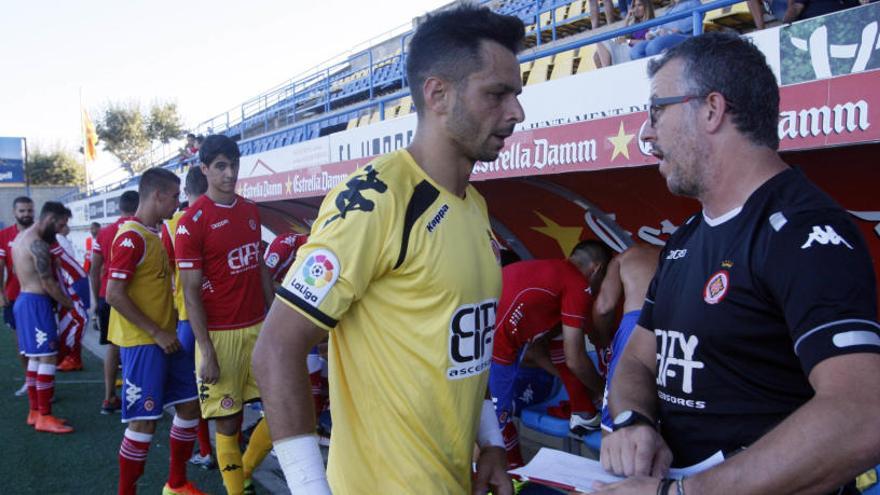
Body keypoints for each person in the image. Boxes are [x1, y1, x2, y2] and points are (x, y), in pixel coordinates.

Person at [253, 5, 525, 494]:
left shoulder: (475, 206)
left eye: (516, 95)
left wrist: (491, 446)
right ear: (438, 94)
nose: (516, 112)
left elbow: (467, 346)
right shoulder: (377, 200)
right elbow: (276, 347)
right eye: (497, 94)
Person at [593, 33, 880, 495]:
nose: (646, 133)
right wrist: (633, 420)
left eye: (655, 112)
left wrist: (686, 493)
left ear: (711, 109)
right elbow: (638, 362)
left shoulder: (804, 230)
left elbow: (863, 411)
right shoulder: (686, 238)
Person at [174, 134, 275, 495]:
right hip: (219, 335)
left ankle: (244, 469)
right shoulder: (192, 221)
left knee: (283, 411)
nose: (230, 173)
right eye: (220, 166)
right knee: (228, 423)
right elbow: (190, 290)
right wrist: (207, 349)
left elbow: (260, 267)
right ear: (204, 169)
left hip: (259, 328)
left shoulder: (249, 210)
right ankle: (237, 489)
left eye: (233, 164)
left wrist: (274, 316)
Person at [105, 168, 206, 495]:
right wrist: (157, 332)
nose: (179, 202)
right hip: (143, 344)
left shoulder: (153, 233)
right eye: (175, 196)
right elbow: (113, 294)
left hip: (166, 338)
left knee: (191, 404)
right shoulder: (131, 237)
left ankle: (176, 484)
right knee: (144, 422)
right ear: (158, 195)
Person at [489, 240, 611, 468]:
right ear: (597, 269)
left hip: (471, 339)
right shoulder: (577, 284)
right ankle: (511, 478)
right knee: (495, 426)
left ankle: (582, 412)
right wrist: (607, 394)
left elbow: (553, 352)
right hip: (496, 348)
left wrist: (582, 395)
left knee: (488, 422)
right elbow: (575, 359)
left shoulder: (548, 275)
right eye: (603, 281)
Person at [160, 166, 216, 470]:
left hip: (188, 319)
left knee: (193, 391)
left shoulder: (172, 226)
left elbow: (167, 275)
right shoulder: (226, 215)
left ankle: (206, 449)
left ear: (185, 191)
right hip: (225, 316)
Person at [10, 201, 75, 433]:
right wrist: (71, 305)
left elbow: (20, 272)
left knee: (36, 359)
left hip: (26, 299)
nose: (60, 230)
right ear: (49, 219)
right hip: (36, 304)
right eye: (60, 224)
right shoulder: (37, 243)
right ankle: (45, 416)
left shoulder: (21, 237)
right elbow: (47, 282)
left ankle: (35, 411)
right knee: (46, 358)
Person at [590, 243, 660, 432]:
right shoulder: (677, 253)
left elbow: (604, 307)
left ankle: (612, 460)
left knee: (617, 420)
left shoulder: (624, 257)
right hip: (678, 325)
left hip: (636, 323)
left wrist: (604, 341)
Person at [91, 190, 139, 414]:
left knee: (113, 347)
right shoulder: (141, 229)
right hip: (134, 298)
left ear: (119, 207)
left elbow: (94, 269)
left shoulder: (105, 232)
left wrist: (96, 300)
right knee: (135, 345)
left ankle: (108, 398)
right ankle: (136, 398)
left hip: (105, 295)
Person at [1, 196, 35, 395]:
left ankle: (43, 382)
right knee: (22, 341)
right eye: (22, 211)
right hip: (14, 297)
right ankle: (29, 380)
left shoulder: (40, 233)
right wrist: (1, 293)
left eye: (29, 210)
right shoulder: (4, 236)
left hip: (40, 298)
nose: (26, 214)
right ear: (14, 212)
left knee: (42, 343)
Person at [51, 213, 89, 372]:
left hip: (70, 285)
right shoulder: (57, 240)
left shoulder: (62, 240)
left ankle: (69, 356)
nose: (67, 227)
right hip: (68, 287)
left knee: (76, 321)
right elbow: (64, 266)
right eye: (64, 224)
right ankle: (70, 356)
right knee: (78, 320)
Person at [630, 0, 701, 60]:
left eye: (639, 5)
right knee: (636, 50)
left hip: (683, 36)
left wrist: (672, 30)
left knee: (654, 46)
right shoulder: (669, 8)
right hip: (662, 37)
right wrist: (651, 33)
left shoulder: (692, 2)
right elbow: (659, 24)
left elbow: (695, 18)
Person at [595, 0, 655, 68]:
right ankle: (606, 71)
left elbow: (649, 42)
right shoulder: (634, 23)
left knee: (602, 42)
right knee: (597, 53)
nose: (636, 9)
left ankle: (607, 72)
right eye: (634, 6)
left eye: (639, 5)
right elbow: (622, 35)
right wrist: (627, 19)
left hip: (634, 49)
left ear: (646, 7)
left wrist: (627, 41)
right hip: (627, 46)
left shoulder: (652, 23)